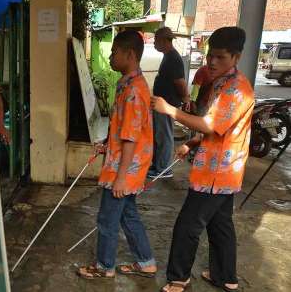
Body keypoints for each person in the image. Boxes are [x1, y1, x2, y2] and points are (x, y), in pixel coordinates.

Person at [152, 27, 253, 292]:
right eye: (210, 55)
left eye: (220, 57)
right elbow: (224, 128)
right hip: (219, 167)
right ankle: (225, 276)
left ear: (236, 57)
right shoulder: (221, 82)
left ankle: (178, 278)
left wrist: (170, 110)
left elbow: (210, 124)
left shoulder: (236, 89)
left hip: (218, 172)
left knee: (188, 225)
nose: (212, 62)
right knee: (220, 224)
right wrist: (192, 143)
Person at [77, 30, 156, 280]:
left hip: (124, 169)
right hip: (127, 164)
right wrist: (106, 144)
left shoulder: (133, 91)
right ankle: (146, 262)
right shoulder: (128, 85)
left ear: (130, 55)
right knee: (128, 215)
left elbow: (131, 137)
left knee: (107, 219)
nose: (111, 57)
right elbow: (123, 131)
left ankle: (104, 266)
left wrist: (121, 178)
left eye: (114, 52)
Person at [148, 27, 190, 179]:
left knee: (164, 136)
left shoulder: (173, 58)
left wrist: (185, 98)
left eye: (156, 40)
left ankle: (164, 169)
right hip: (162, 104)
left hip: (167, 105)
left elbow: (180, 82)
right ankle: (158, 165)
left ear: (164, 40)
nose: (154, 44)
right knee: (160, 135)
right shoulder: (168, 56)